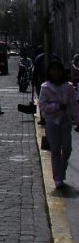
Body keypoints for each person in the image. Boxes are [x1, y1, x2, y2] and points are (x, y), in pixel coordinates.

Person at [38, 58, 79, 189]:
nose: (56, 72)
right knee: (55, 149)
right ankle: (58, 177)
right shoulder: (45, 88)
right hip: (52, 122)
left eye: (58, 70)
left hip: (65, 121)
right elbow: (42, 106)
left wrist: (77, 120)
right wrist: (56, 107)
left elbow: (74, 105)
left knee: (67, 148)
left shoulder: (68, 87)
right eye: (53, 70)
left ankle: (62, 169)